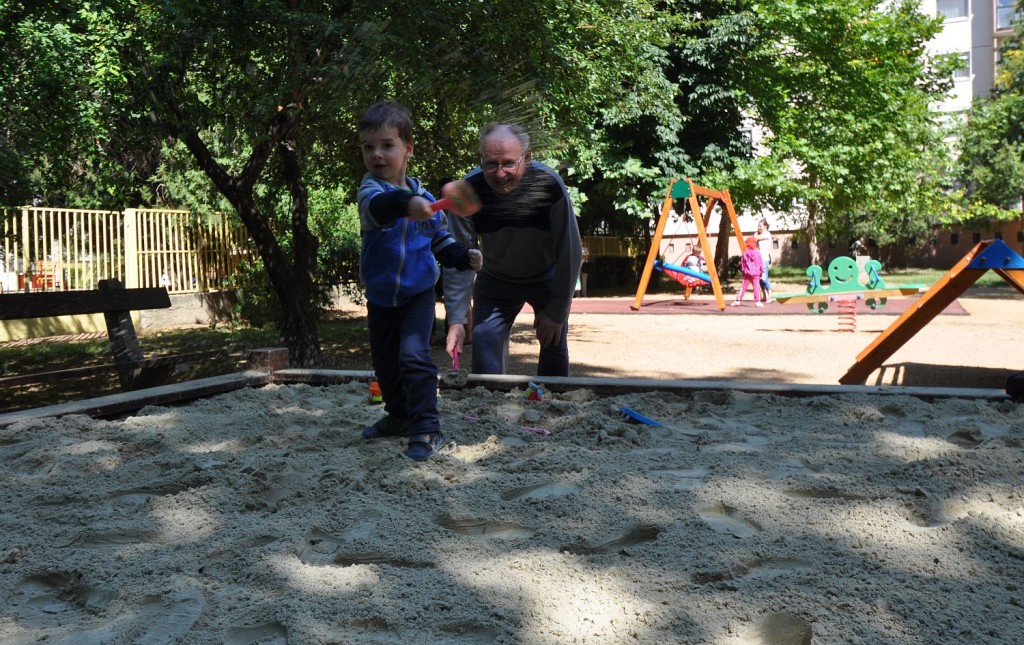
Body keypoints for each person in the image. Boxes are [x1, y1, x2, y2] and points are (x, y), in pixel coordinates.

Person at [355, 101, 482, 461]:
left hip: (418, 295)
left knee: (413, 356)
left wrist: (463, 255)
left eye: (387, 145)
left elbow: (439, 242)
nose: (377, 154)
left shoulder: (428, 202)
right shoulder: (370, 191)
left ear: (408, 149)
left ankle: (427, 427)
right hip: (381, 296)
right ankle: (399, 417)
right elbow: (382, 208)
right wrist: (406, 204)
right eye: (368, 147)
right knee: (385, 366)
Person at [444, 123, 582, 377]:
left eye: (508, 163)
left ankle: (555, 399)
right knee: (484, 342)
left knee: (553, 342)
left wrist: (557, 312)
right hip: (496, 279)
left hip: (546, 277)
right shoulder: (468, 191)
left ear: (526, 158)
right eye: (490, 164)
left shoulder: (549, 185)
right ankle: (490, 397)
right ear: (480, 159)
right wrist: (456, 318)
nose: (500, 174)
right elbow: (458, 257)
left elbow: (570, 251)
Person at [731, 237, 764, 307]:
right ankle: (757, 301)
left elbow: (742, 264)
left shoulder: (745, 253)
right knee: (756, 287)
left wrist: (743, 271)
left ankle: (738, 300)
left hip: (747, 273)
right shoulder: (758, 253)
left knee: (743, 287)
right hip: (756, 273)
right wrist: (761, 271)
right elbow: (760, 263)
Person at [754, 218, 774, 303]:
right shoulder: (761, 234)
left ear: (765, 226)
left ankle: (770, 296)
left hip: (764, 259)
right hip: (759, 259)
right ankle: (765, 296)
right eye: (758, 226)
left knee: (764, 278)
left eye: (760, 226)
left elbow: (755, 237)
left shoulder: (767, 234)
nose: (759, 228)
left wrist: (756, 233)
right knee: (759, 279)